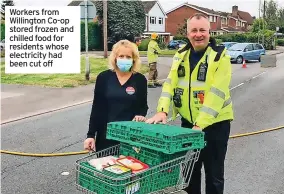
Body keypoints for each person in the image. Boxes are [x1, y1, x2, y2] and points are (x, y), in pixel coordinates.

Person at [146, 13, 234, 194]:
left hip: (215, 125)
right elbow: (170, 84)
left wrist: (200, 124)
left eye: (202, 30)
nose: (198, 34)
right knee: (190, 175)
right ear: (187, 34)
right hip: (188, 125)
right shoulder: (180, 55)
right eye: (194, 30)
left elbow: (216, 94)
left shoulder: (220, 56)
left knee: (214, 175)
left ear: (210, 33)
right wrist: (162, 110)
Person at [84, 39, 149, 152]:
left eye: (128, 57)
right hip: (105, 136)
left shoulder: (140, 80)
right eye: (121, 56)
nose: (124, 59)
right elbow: (96, 108)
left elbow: (143, 106)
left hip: (130, 137)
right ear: (115, 57)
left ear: (134, 59)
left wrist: (141, 115)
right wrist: (90, 135)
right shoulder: (104, 78)